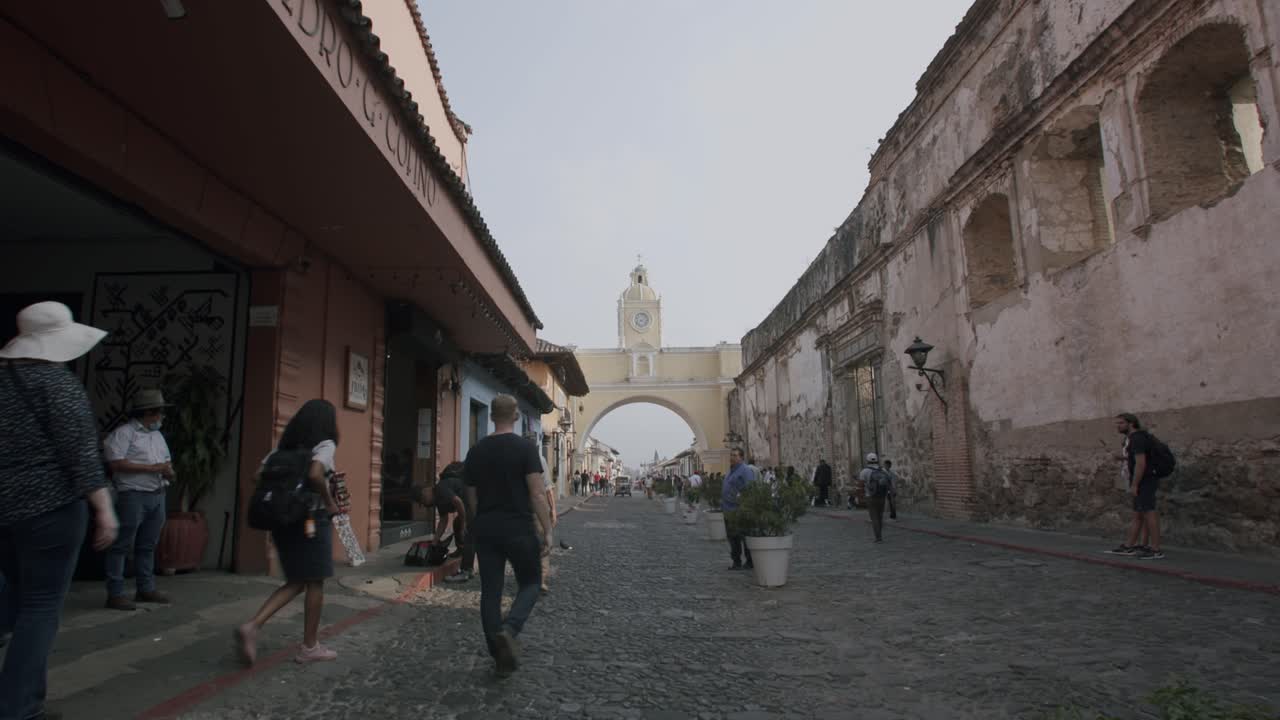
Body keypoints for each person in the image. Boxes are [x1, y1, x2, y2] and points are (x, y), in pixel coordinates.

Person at [0, 301, 119, 720]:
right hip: (50, 508)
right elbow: (82, 455)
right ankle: (19, 707)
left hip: (4, 509)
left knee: (13, 596)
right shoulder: (58, 385)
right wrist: (105, 509)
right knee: (40, 606)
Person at [235, 399, 342, 666]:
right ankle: (310, 646)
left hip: (283, 519)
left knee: (296, 580)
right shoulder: (325, 446)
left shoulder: (282, 449)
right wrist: (329, 503)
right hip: (311, 519)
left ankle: (253, 626)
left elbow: (257, 476)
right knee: (315, 581)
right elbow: (317, 474)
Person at [464, 395, 553, 678]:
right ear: (516, 416)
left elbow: (471, 496)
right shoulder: (525, 449)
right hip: (518, 528)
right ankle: (510, 629)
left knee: (490, 591)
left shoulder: (476, 451)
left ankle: (497, 650)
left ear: (491, 417)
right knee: (531, 582)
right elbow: (537, 493)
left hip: (487, 528)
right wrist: (547, 528)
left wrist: (482, 521)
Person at [102, 388, 175, 611]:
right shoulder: (123, 434)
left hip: (157, 494)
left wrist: (167, 472)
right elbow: (115, 463)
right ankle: (115, 593)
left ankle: (146, 588)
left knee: (147, 545)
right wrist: (151, 468)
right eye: (159, 413)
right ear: (148, 413)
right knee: (122, 545)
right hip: (133, 494)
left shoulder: (157, 436)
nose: (161, 418)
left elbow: (166, 463)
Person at [1108, 413, 1165, 560]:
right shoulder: (1136, 438)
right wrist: (1123, 458)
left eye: (1120, 423)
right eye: (1117, 423)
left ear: (1131, 423)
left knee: (1149, 512)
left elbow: (1141, 463)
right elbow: (1137, 458)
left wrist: (1134, 484)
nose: (1117, 426)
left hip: (1145, 479)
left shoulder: (1137, 438)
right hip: (1143, 479)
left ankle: (1156, 549)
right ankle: (1129, 546)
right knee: (1138, 514)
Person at [419, 462, 475, 584]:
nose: (425, 503)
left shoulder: (440, 488)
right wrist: (434, 542)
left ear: (427, 490)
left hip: (471, 501)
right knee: (457, 524)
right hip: (468, 504)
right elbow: (443, 521)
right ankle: (461, 550)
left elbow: (458, 502)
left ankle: (466, 571)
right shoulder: (438, 499)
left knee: (468, 533)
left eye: (423, 499)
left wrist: (464, 523)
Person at [721, 448, 754, 570]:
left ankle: (750, 561)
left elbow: (749, 488)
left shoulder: (745, 471)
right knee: (732, 537)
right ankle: (736, 561)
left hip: (739, 509)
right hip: (728, 510)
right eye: (731, 455)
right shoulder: (731, 471)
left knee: (744, 536)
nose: (732, 457)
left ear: (741, 457)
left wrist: (743, 504)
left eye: (735, 455)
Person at [858, 453, 895, 543]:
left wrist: (860, 496)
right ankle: (880, 534)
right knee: (880, 516)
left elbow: (861, 485)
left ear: (867, 460)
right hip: (882, 496)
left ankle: (878, 538)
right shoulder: (883, 470)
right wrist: (891, 493)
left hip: (870, 497)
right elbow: (889, 482)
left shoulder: (864, 471)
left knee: (874, 517)